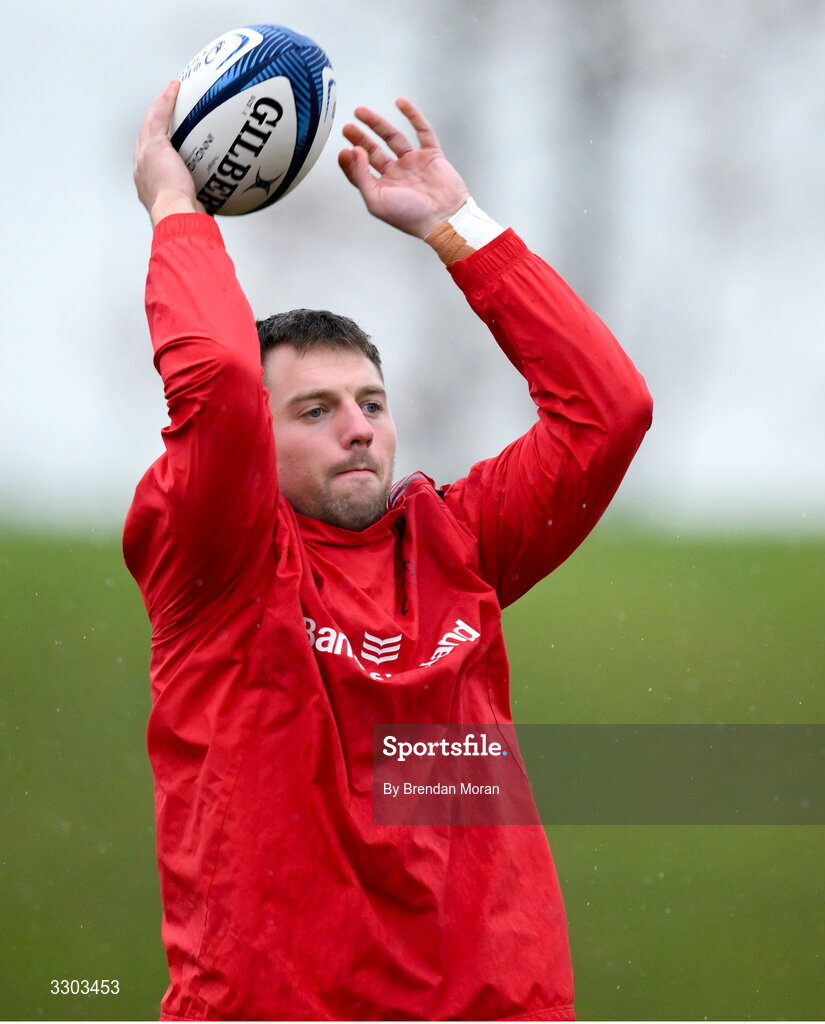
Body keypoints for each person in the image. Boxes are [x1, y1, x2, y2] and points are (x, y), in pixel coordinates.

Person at [126, 80, 652, 1022]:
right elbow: (216, 380)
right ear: (257, 435)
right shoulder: (214, 563)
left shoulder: (458, 543)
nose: (358, 429)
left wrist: (457, 224)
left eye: (371, 403)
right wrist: (178, 208)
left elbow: (607, 412)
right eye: (315, 411)